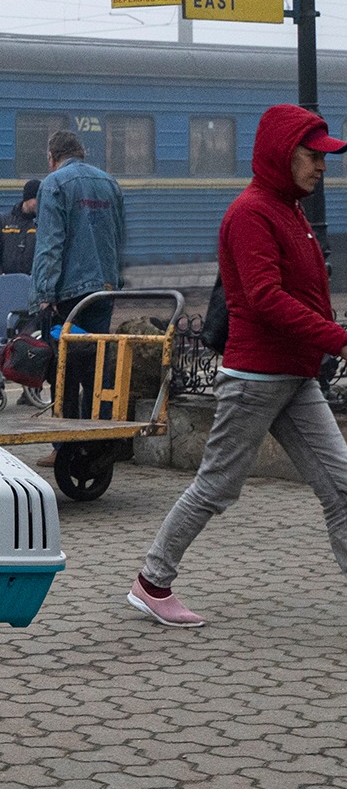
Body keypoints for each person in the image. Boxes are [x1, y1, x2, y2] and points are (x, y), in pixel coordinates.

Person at [130, 105, 347, 628]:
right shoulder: (252, 214)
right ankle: (151, 583)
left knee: (342, 486)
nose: (322, 166)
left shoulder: (289, 209)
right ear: (282, 154)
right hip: (255, 379)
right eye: (312, 156)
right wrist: (339, 340)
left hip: (292, 377)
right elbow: (266, 299)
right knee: (217, 485)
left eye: (324, 157)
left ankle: (151, 582)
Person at [32, 129, 126, 421]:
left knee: (64, 370)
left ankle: (64, 447)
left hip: (66, 295)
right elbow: (118, 237)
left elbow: (50, 243)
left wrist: (45, 294)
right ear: (81, 152)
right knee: (97, 367)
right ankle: (95, 440)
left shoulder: (54, 184)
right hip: (104, 290)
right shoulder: (109, 183)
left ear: (52, 157)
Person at [0, 179, 39, 277]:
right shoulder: (3, 222)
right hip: (6, 283)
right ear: (28, 198)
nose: (40, 203)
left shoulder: (43, 222)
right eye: (37, 199)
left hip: (32, 283)